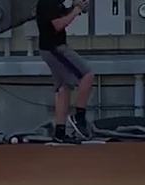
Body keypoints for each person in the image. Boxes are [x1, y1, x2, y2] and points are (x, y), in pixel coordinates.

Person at [36, 0, 94, 142]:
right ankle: (79, 116)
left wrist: (74, 8)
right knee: (87, 75)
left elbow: (61, 15)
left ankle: (60, 132)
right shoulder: (47, 3)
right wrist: (75, 11)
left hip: (51, 49)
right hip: (55, 49)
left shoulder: (55, 3)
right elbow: (58, 24)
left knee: (63, 87)